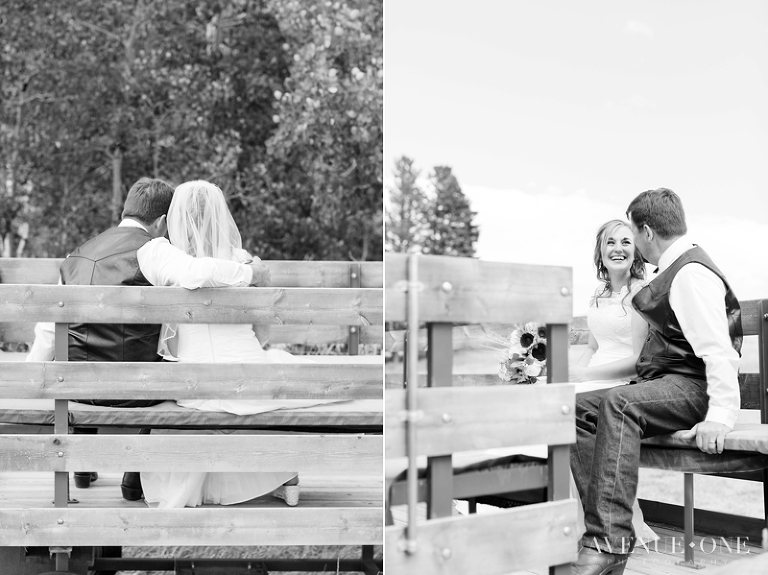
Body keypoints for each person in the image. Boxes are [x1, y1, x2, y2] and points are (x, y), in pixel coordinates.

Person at [26, 177, 271, 498]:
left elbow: (48, 328)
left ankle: (83, 460)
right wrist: (252, 273)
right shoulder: (153, 249)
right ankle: (133, 475)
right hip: (135, 389)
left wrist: (32, 375)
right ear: (161, 222)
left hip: (77, 387)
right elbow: (196, 272)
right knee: (168, 370)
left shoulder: (77, 255)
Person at [570, 189, 742, 575]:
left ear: (646, 231)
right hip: (667, 386)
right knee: (578, 409)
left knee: (620, 403)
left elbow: (719, 352)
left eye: (632, 232)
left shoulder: (691, 273)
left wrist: (721, 416)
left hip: (692, 389)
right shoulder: (675, 268)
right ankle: (606, 528)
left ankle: (607, 544)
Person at [139, 180, 329, 508]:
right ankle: (286, 474)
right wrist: (250, 273)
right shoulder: (241, 261)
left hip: (194, 389)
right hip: (249, 379)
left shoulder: (162, 257)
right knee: (282, 366)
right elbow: (262, 331)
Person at [568, 219, 657, 545]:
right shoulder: (598, 294)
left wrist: (585, 376)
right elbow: (593, 347)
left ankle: (607, 522)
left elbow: (638, 361)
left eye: (625, 242)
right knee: (552, 398)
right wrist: (569, 373)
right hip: (593, 375)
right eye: (610, 242)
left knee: (567, 409)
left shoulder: (639, 294)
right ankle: (569, 518)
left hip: (622, 382)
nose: (617, 249)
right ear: (600, 251)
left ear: (635, 252)